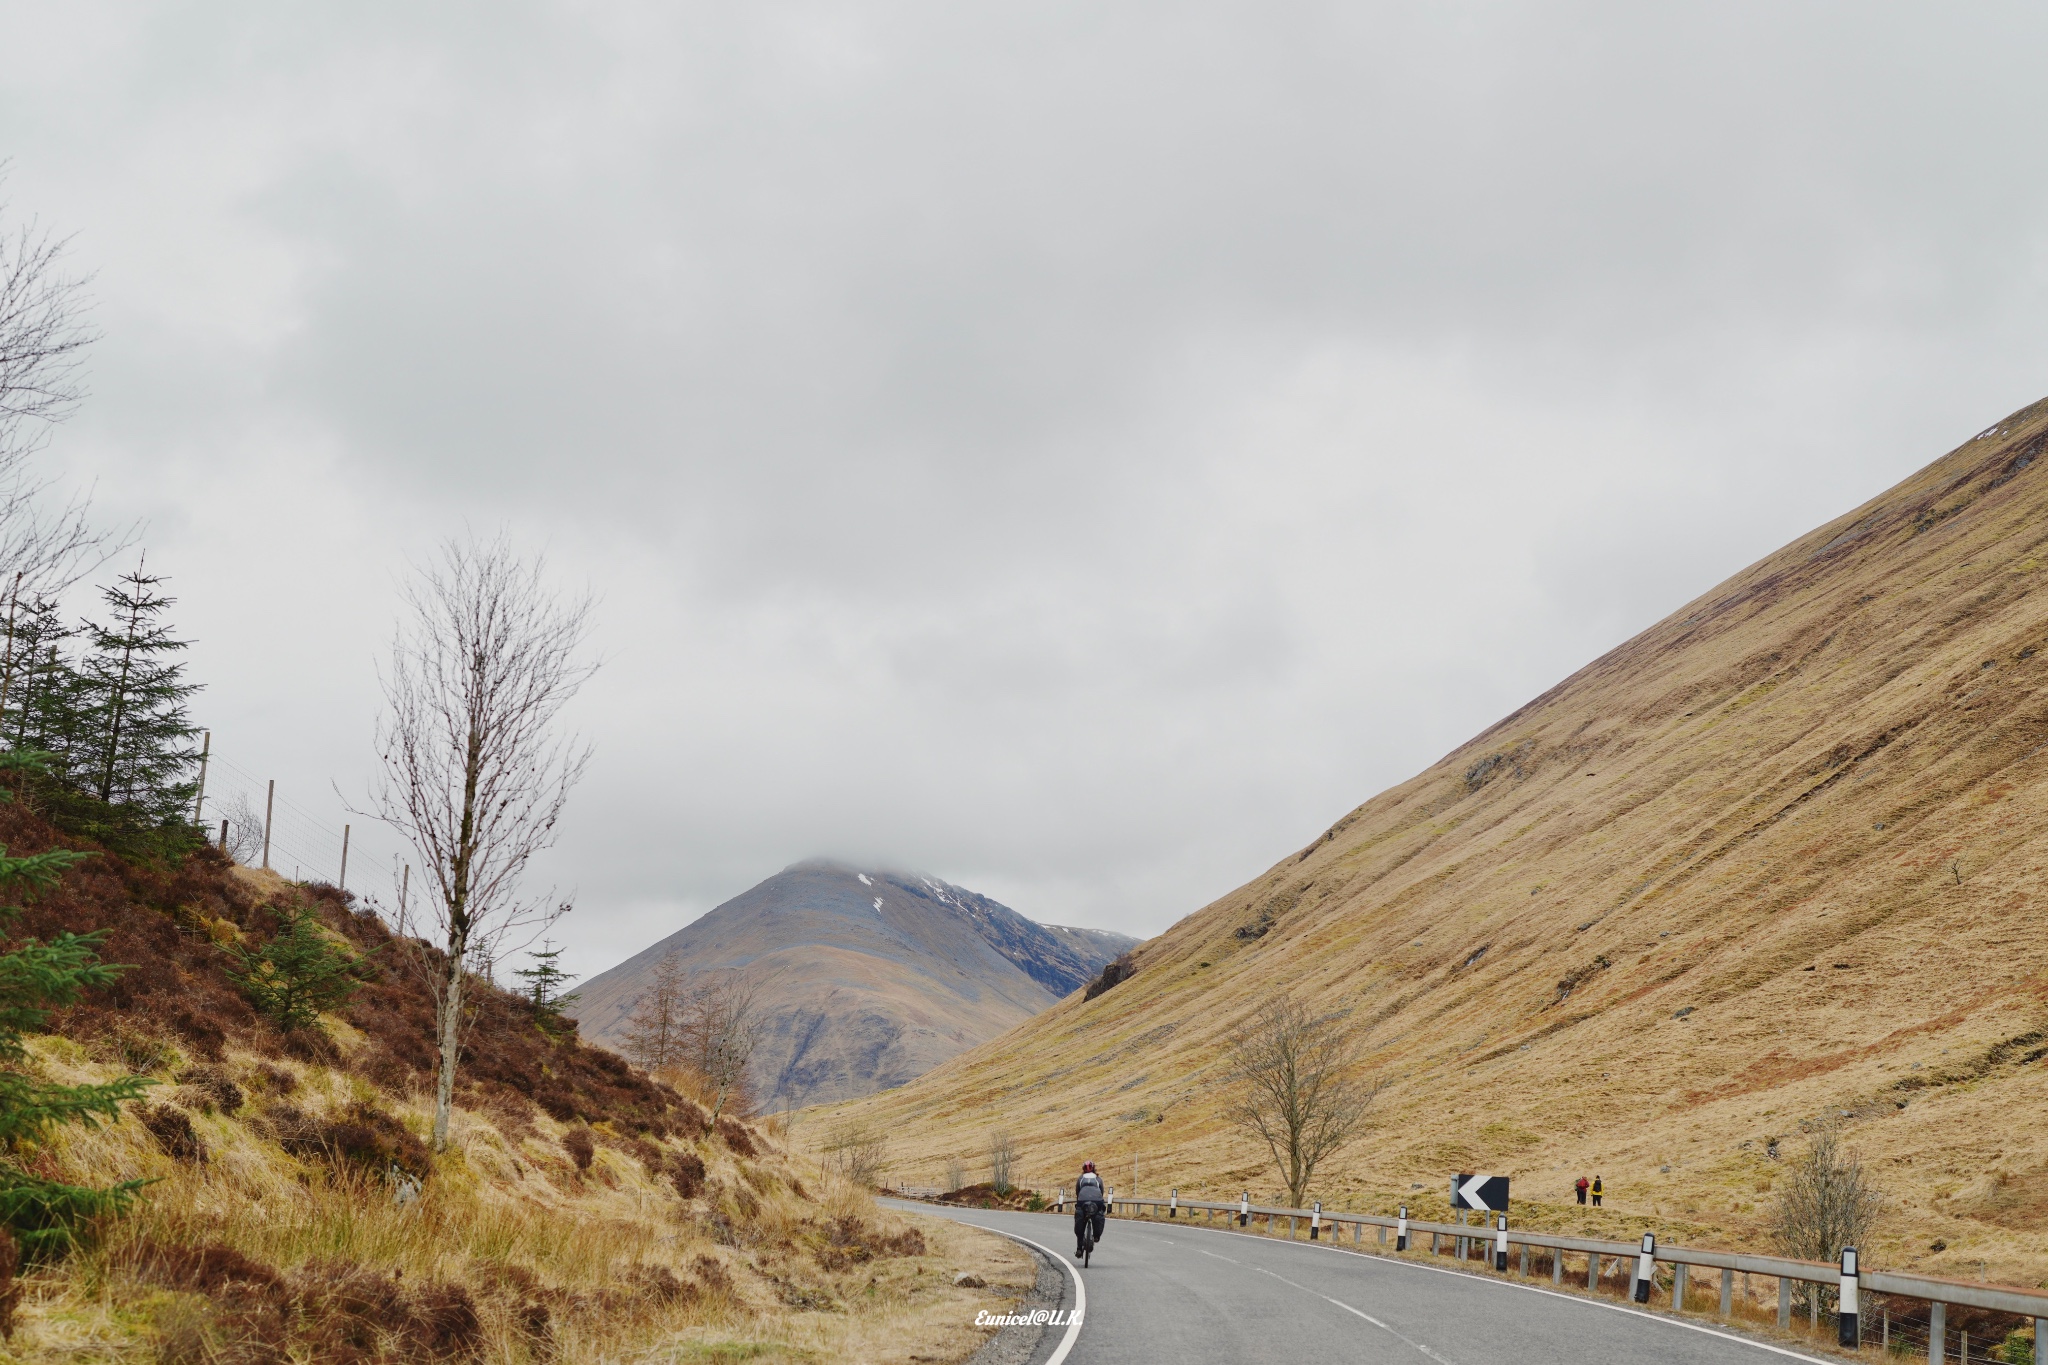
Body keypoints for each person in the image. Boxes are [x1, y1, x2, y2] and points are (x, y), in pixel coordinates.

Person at [1074, 1161, 1107, 1257]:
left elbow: (1078, 1192)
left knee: (1080, 1222)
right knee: (1098, 1214)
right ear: (1094, 1168)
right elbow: (1101, 1192)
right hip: (1096, 1201)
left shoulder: (1080, 1179)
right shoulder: (1098, 1179)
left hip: (1082, 1201)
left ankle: (1079, 1249)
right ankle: (1096, 1236)